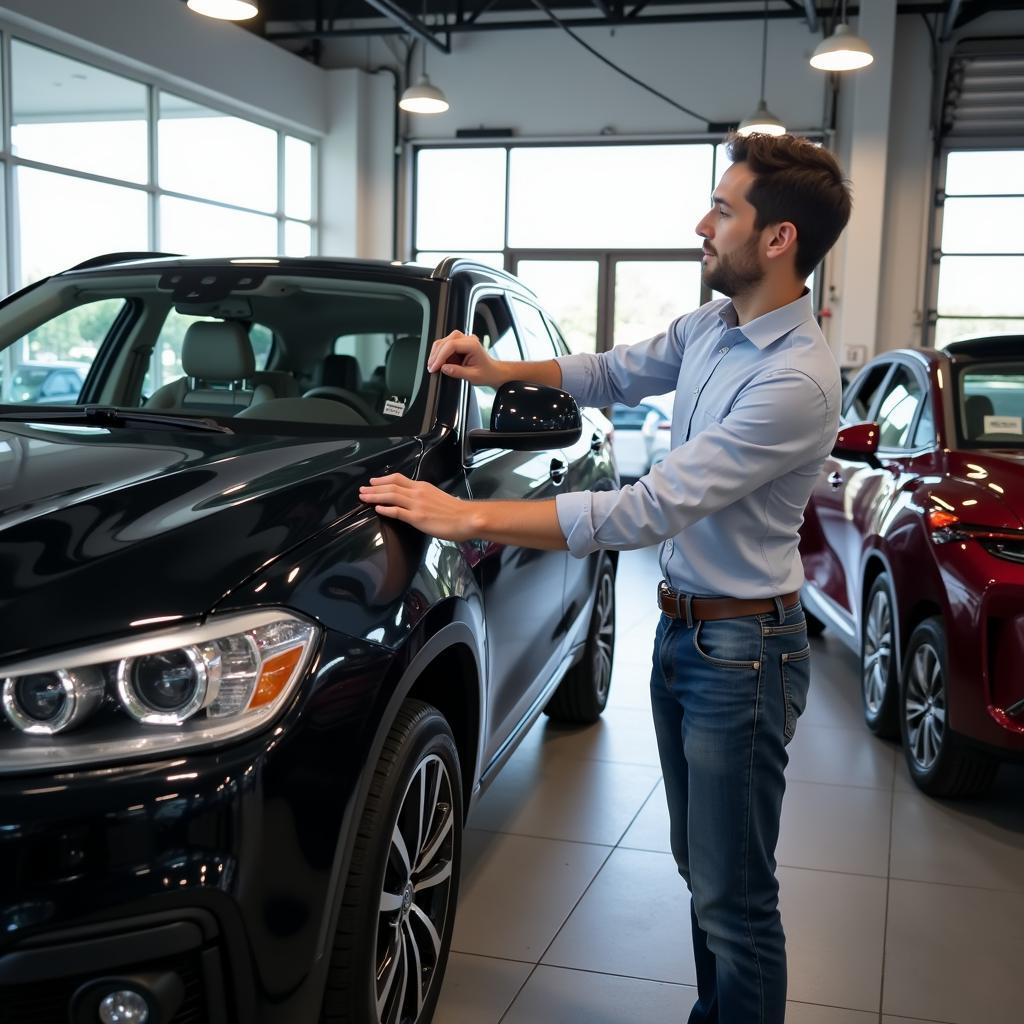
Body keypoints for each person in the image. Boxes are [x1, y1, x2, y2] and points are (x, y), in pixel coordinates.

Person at [360, 131, 852, 1024]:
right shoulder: (714, 327)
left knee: (735, 898)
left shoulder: (796, 380)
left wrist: (464, 515)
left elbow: (646, 509)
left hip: (743, 653)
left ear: (778, 239)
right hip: (689, 633)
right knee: (704, 872)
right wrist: (502, 368)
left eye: (725, 208)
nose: (702, 223)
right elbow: (615, 371)